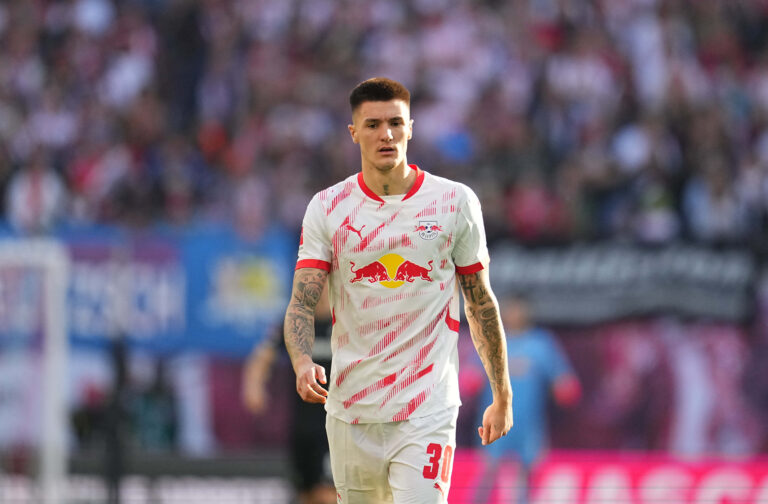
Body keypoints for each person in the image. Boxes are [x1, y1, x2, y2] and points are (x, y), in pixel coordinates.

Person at [283, 77, 514, 504]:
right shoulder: (328, 208)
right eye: (372, 124)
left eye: (394, 123)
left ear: (411, 127)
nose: (385, 134)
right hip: (351, 409)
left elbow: (480, 303)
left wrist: (502, 391)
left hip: (426, 407)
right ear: (354, 133)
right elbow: (301, 302)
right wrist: (301, 361)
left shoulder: (454, 202)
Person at [472, 295, 581, 503]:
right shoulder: (491, 340)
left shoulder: (541, 344)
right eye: (511, 309)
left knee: (526, 475)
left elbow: (564, 380)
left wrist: (564, 388)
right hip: (494, 422)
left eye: (519, 310)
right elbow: (469, 377)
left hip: (529, 425)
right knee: (488, 473)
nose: (515, 314)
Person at [242, 285, 336, 504]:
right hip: (301, 429)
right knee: (305, 495)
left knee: (328, 495)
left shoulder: (344, 322)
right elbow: (262, 357)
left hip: (332, 429)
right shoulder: (295, 323)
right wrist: (254, 387)